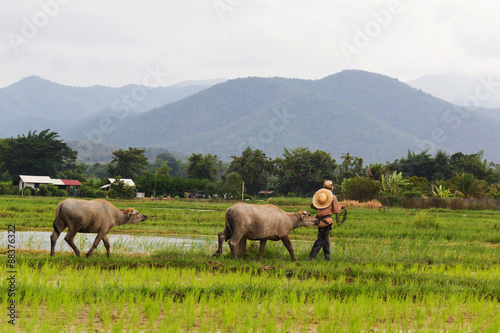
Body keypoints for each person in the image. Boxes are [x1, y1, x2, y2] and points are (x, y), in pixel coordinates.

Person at [307, 180, 344, 261]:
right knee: (320, 240)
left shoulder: (320, 196)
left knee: (325, 240)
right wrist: (340, 207)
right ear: (331, 188)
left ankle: (328, 259)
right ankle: (310, 258)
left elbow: (314, 206)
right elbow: (335, 211)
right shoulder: (333, 197)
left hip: (319, 221)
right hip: (327, 222)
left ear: (324, 187)